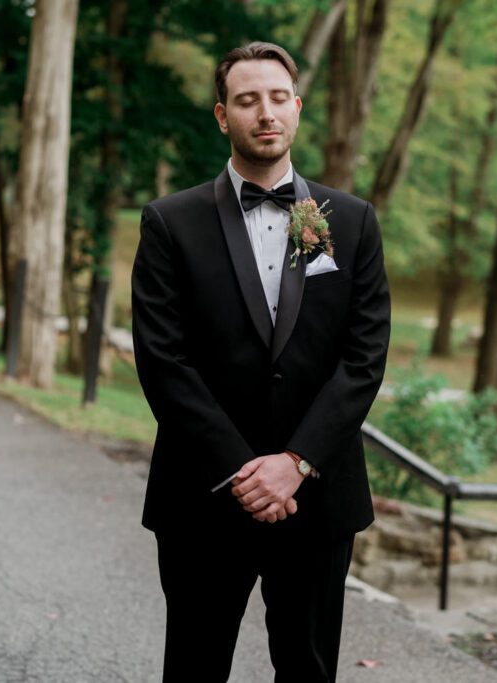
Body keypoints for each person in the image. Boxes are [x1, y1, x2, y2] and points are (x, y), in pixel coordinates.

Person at [131, 42, 390, 682]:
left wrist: (295, 462)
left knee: (308, 671)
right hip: (204, 493)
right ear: (224, 116)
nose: (265, 113)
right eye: (247, 100)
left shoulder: (351, 221)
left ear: (296, 108)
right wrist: (244, 472)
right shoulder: (169, 222)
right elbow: (163, 360)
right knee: (194, 668)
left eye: (277, 98)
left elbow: (363, 358)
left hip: (317, 496)